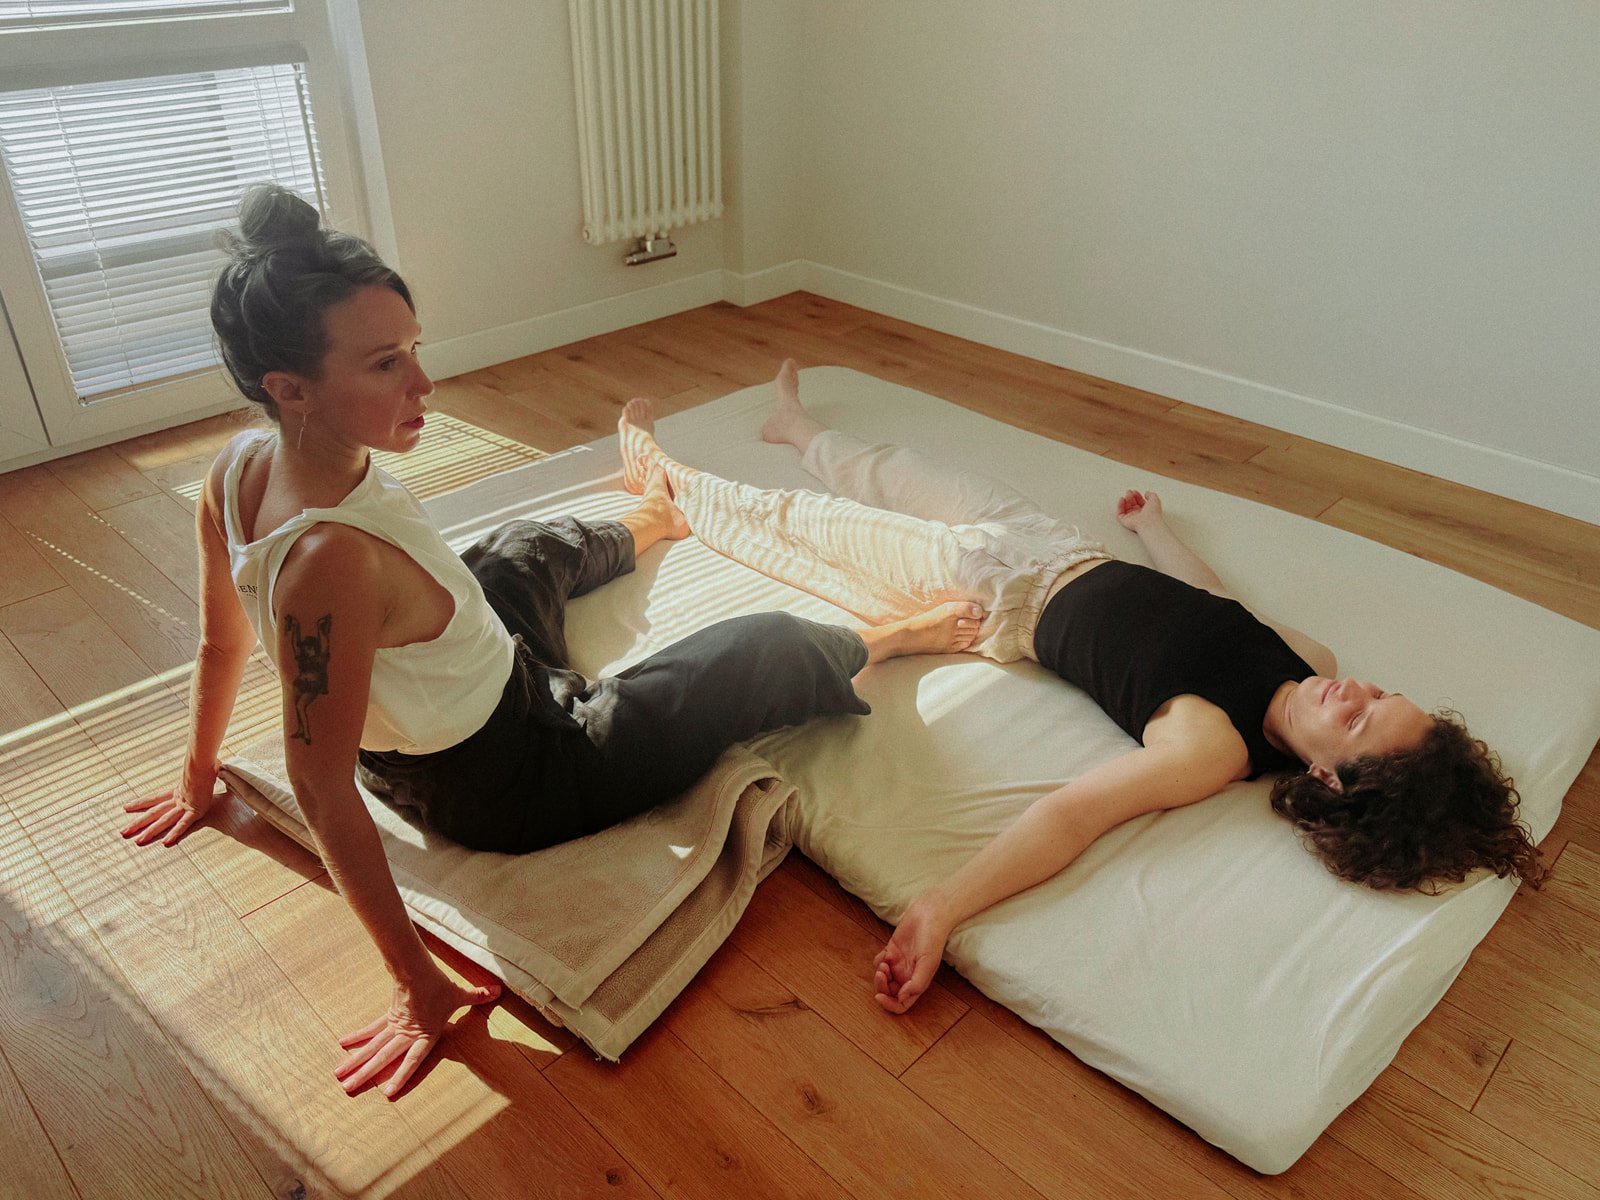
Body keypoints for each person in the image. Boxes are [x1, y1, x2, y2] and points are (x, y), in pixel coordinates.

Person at [119, 187, 983, 1097]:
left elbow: (218, 644)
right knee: (756, 646)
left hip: (485, 678)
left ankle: (652, 520)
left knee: (514, 551)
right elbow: (318, 782)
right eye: (385, 364)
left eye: (414, 347)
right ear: (288, 388)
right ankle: (885, 640)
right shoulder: (326, 562)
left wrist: (196, 776)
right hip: (513, 774)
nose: (424, 383)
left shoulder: (238, 468)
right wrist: (418, 990)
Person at [615, 360, 1547, 1015]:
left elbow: (1068, 817)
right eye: (1382, 693)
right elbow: (1215, 603)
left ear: (1333, 779)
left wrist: (939, 908)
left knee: (808, 526)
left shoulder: (1212, 747)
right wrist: (1155, 532)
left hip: (994, 594)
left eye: (1364, 719)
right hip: (1056, 545)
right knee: (904, 472)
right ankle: (795, 426)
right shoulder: (1310, 657)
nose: (1360, 690)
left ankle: (664, 481)